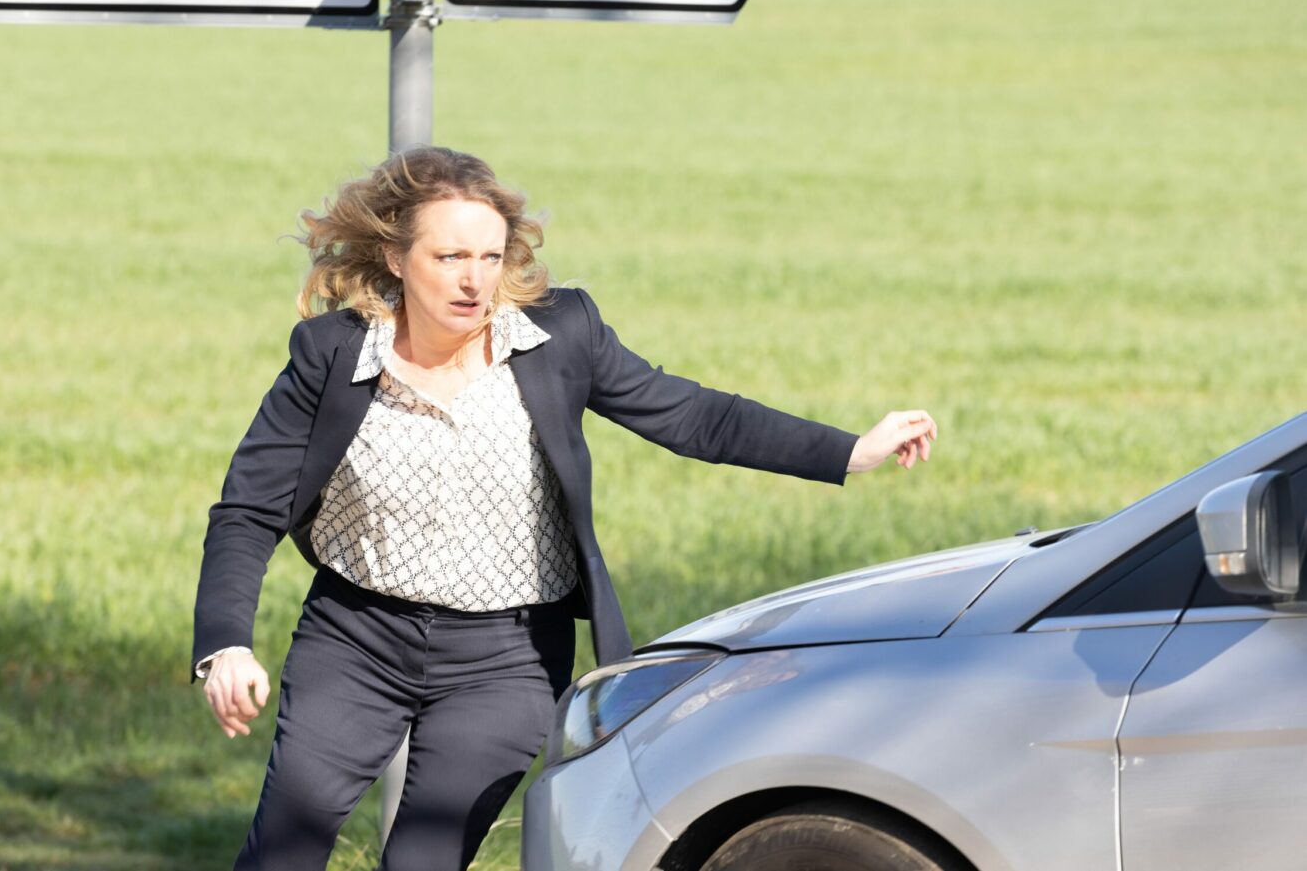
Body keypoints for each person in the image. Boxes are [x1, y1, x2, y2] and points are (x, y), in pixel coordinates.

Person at [190, 146, 938, 871]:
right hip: (355, 640)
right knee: (282, 849)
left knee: (423, 858)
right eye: (449, 257)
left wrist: (848, 451)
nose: (473, 280)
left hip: (505, 657)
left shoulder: (558, 335)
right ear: (396, 260)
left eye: (489, 256)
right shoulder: (333, 354)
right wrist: (225, 644)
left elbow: (694, 417)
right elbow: (248, 508)